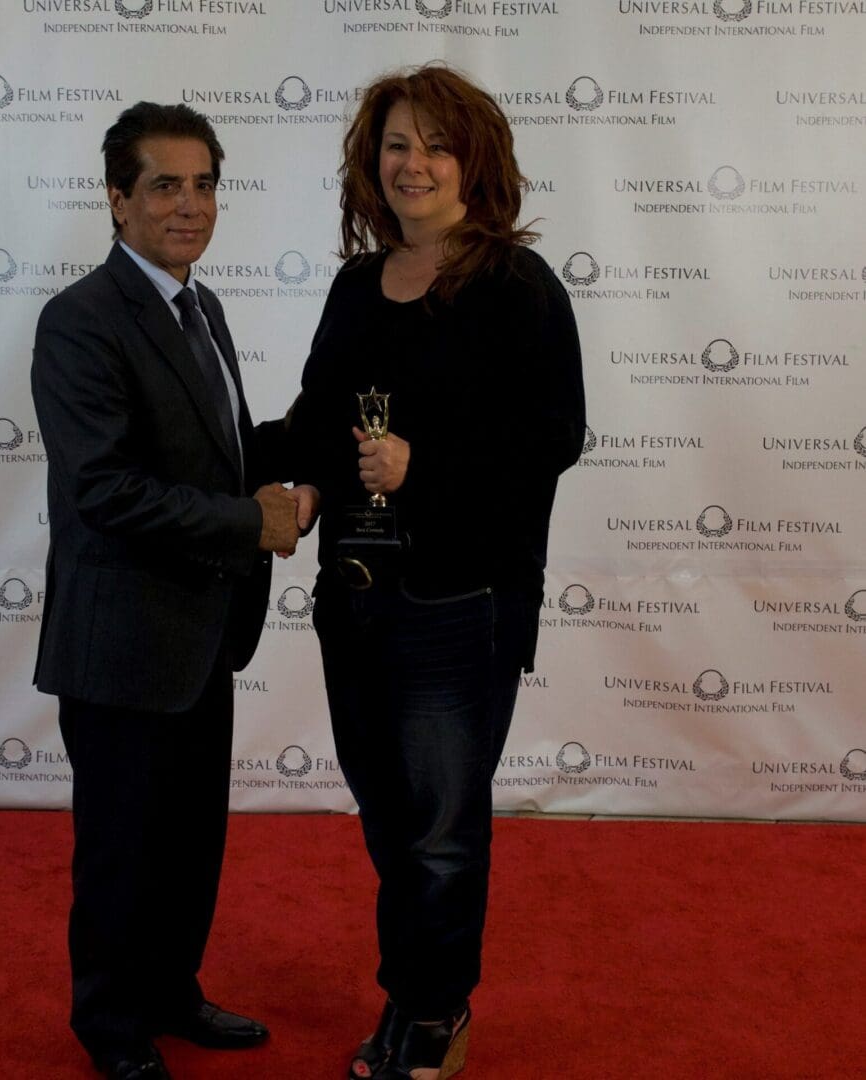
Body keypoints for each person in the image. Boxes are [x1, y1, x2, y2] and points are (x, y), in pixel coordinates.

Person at [287, 65, 586, 1079]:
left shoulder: (514, 285)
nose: (413, 164)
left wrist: (427, 468)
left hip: (463, 602)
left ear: (476, 161)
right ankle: (412, 989)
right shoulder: (352, 286)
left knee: (441, 829)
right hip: (356, 600)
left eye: (435, 144)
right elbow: (319, 428)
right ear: (371, 163)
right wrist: (231, 468)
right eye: (397, 145)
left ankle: (432, 1011)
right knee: (388, 820)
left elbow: (553, 438)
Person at [31, 101, 311, 1080]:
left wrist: (307, 447)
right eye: (164, 185)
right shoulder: (79, 321)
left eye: (203, 185)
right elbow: (105, 491)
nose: (188, 205)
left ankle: (170, 992)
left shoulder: (204, 307)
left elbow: (219, 458)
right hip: (121, 644)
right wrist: (254, 522)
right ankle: (111, 1027)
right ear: (118, 199)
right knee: (120, 852)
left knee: (190, 843)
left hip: (203, 633)